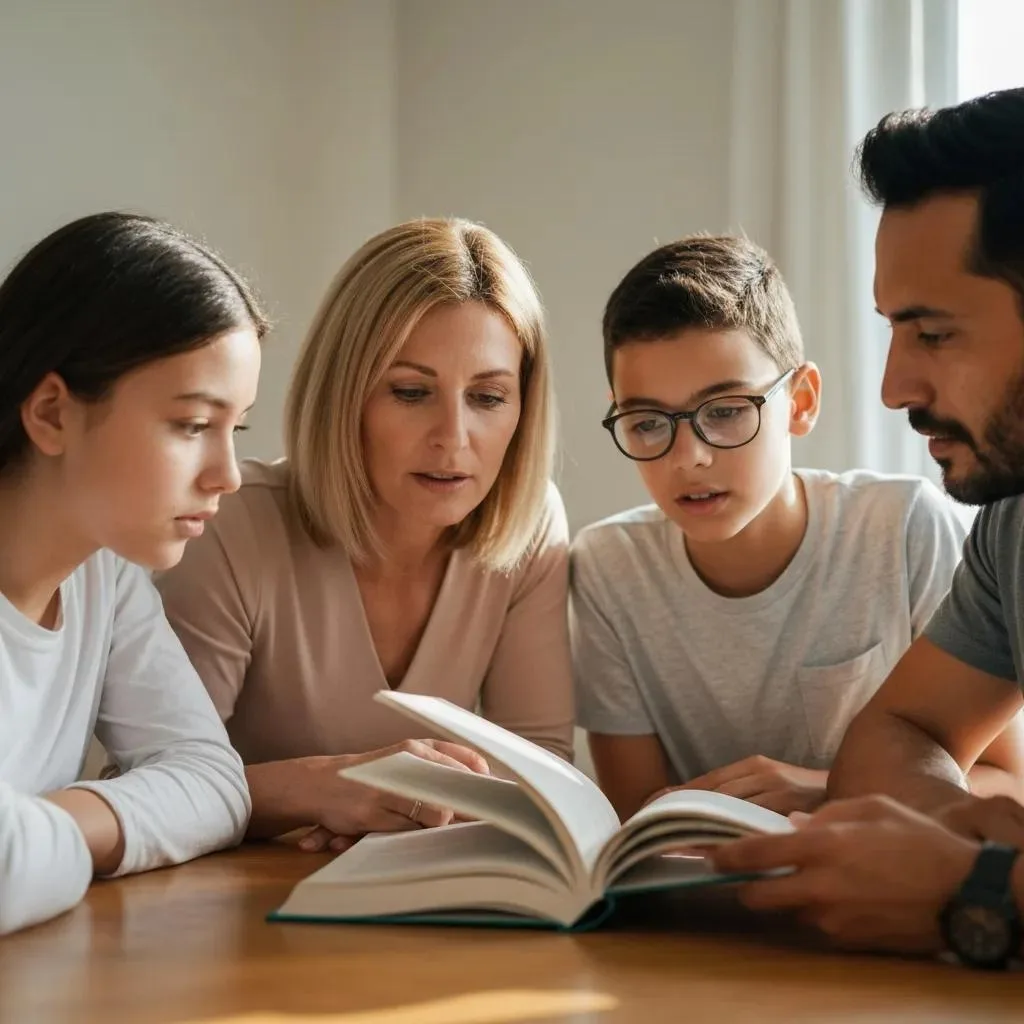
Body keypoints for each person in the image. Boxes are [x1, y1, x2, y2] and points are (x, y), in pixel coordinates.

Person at [715, 88, 1024, 968]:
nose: (895, 388)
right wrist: (963, 847)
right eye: (894, 330)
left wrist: (981, 891)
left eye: (932, 333)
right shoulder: (1010, 522)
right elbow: (900, 734)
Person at [570, 233, 1023, 823]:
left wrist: (829, 788)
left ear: (801, 401)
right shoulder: (608, 568)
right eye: (648, 421)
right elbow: (635, 822)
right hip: (708, 903)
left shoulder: (901, 528)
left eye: (727, 411)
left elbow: (1008, 785)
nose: (688, 458)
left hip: (888, 890)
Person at [157, 217, 575, 854]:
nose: (453, 438)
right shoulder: (234, 525)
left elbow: (542, 768)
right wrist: (327, 787)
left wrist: (406, 810)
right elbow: (150, 789)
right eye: (411, 392)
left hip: (422, 908)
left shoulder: (531, 523)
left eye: (488, 398)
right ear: (344, 394)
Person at [0, 211, 264, 935]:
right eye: (190, 425)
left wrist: (38, 829)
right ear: (52, 412)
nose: (229, 475)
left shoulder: (103, 579)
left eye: (234, 429)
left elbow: (212, 780)